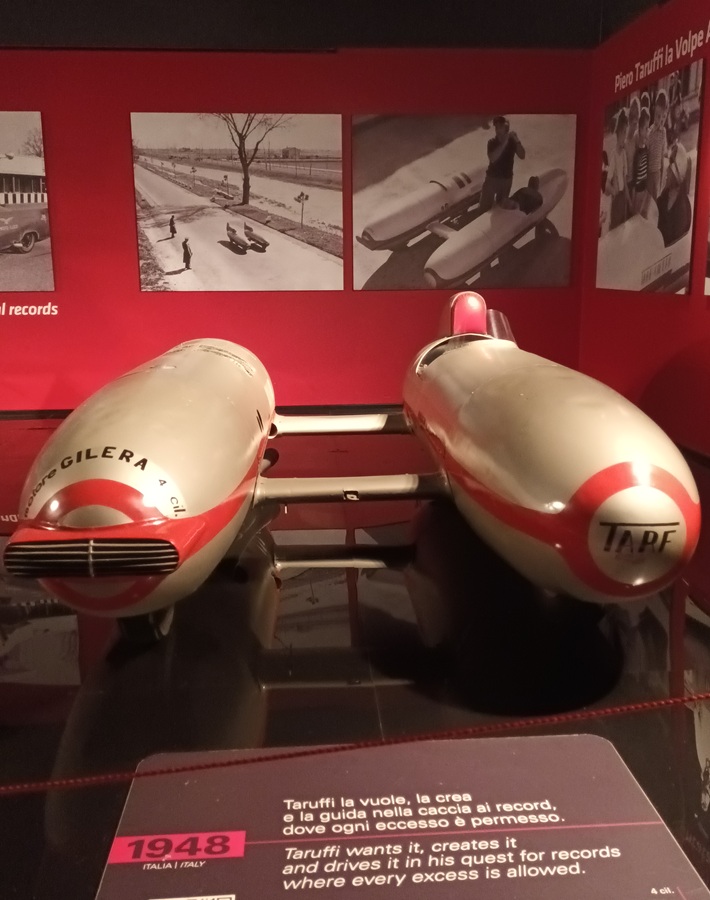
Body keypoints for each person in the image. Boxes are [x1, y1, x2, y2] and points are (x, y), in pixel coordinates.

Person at [479, 116, 526, 212]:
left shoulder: (513, 142)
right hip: (492, 179)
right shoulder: (492, 142)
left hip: (506, 180)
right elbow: (493, 158)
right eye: (496, 127)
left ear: (506, 128)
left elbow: (522, 155)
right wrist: (505, 142)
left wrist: (517, 140)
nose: (497, 129)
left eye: (500, 127)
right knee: (484, 207)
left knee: (501, 208)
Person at [657, 141, 691, 248]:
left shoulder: (682, 209)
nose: (666, 170)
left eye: (670, 168)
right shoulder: (664, 197)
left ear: (677, 172)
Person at [605, 109, 631, 229]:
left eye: (626, 133)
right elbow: (606, 183)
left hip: (622, 199)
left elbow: (625, 180)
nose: (625, 136)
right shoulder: (614, 155)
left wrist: (628, 200)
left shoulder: (624, 154)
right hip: (616, 200)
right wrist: (613, 190)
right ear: (618, 134)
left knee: (623, 226)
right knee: (615, 228)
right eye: (623, 133)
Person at [647, 89, 668, 200]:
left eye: (661, 117)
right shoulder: (649, 132)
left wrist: (661, 178)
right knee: (648, 200)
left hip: (657, 173)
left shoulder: (663, 132)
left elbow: (662, 157)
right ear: (654, 113)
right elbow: (647, 155)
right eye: (657, 116)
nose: (659, 120)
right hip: (649, 173)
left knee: (656, 200)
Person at [631, 108, 650, 215]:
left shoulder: (646, 148)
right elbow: (635, 176)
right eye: (646, 129)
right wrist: (634, 197)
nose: (648, 131)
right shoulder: (638, 152)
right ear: (640, 130)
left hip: (644, 189)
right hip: (637, 191)